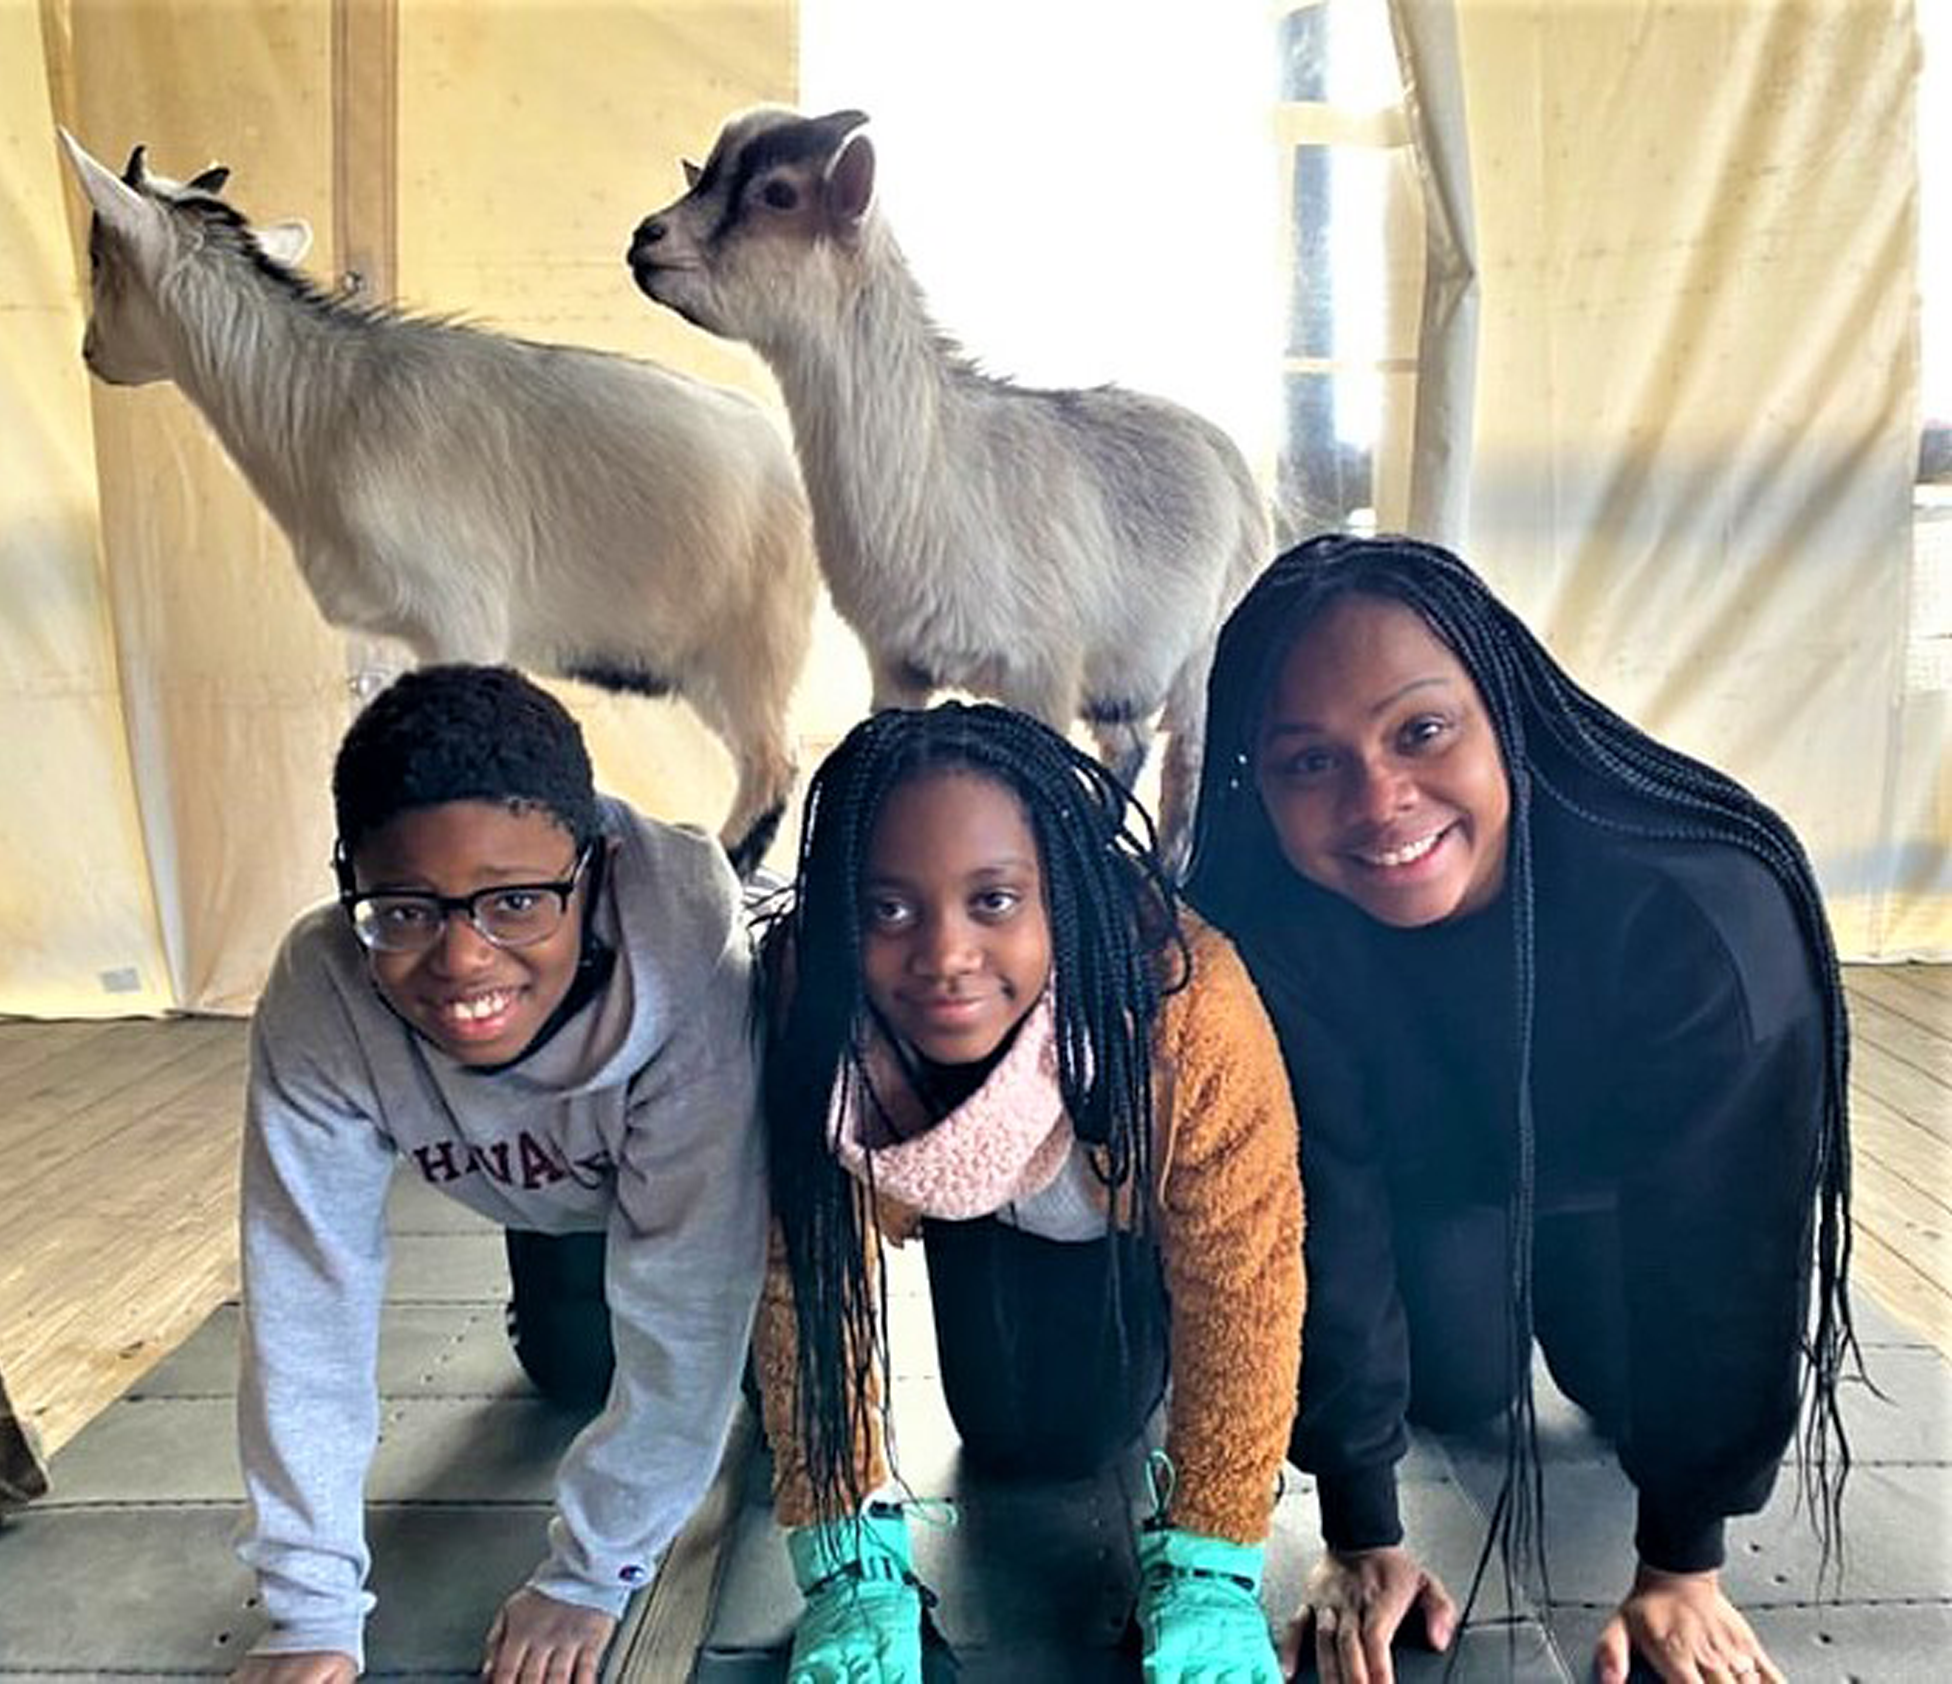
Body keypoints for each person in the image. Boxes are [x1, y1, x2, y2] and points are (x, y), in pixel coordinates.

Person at [1184, 534, 1856, 1684]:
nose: (1377, 800)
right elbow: (1319, 1211)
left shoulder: (1696, 910)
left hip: (1625, 1182)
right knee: (1450, 1393)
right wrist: (1358, 1529)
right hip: (1431, 1179)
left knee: (1623, 1390)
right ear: (1260, 782)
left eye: (1419, 731)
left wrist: (1679, 1565)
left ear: (1503, 712)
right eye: (1309, 761)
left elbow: (1725, 1244)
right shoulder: (1270, 927)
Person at [231, 664, 766, 1683]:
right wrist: (309, 1614)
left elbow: (688, 1297)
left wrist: (593, 1573)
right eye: (405, 909)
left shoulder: (699, 979)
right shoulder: (322, 996)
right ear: (349, 880)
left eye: (516, 901)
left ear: (598, 869)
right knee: (572, 1369)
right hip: (545, 1184)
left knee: (748, 1374)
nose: (463, 960)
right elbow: (306, 1297)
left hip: (735, 1197)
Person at [754, 700, 1307, 1682]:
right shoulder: (811, 993)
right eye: (888, 910)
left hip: (1118, 1216)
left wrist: (1212, 1557)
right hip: (966, 1200)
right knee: (1006, 1438)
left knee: (1070, 1436)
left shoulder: (1188, 1009)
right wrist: (845, 1557)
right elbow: (802, 1275)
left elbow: (1245, 1284)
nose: (944, 956)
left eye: (994, 900)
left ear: (1060, 896)